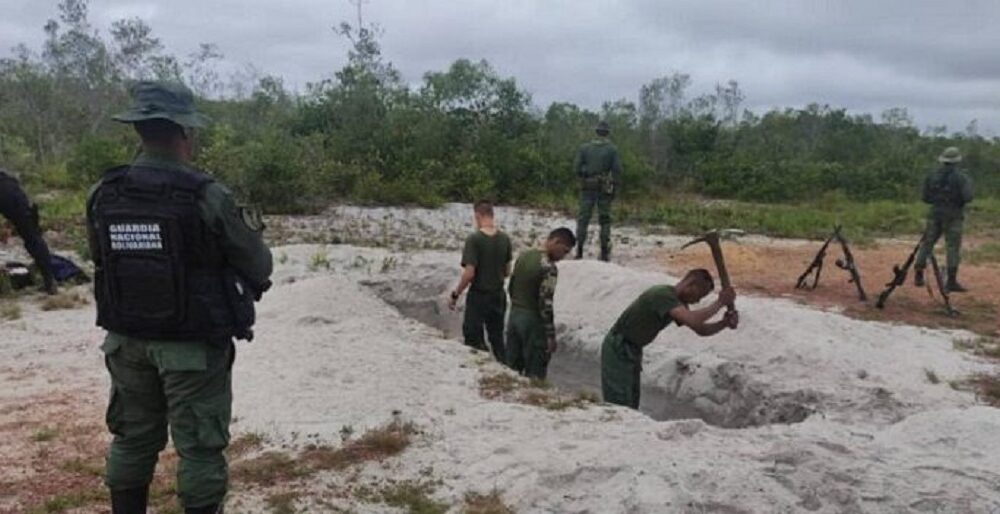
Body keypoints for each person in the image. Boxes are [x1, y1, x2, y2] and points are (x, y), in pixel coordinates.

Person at [86, 81, 273, 514]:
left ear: (139, 130)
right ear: (186, 132)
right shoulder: (207, 195)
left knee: (131, 440)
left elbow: (100, 259)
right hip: (191, 346)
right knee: (200, 448)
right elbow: (258, 266)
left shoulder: (103, 192)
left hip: (126, 341)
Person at [601, 270, 737, 409]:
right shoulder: (663, 294)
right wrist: (720, 302)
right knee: (618, 404)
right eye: (700, 295)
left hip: (633, 349)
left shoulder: (678, 304)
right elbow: (694, 320)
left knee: (631, 401)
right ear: (691, 284)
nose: (697, 301)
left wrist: (724, 323)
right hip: (618, 347)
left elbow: (701, 329)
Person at [506, 227, 575, 379]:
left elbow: (511, 287)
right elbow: (545, 303)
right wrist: (550, 335)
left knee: (511, 370)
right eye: (564, 251)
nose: (563, 256)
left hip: (514, 316)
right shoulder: (549, 267)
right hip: (533, 321)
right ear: (556, 241)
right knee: (535, 372)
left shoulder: (524, 256)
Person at [448, 200, 513, 363]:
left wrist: (456, 294)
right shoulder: (505, 239)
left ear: (477, 215)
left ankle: (481, 369)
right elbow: (507, 271)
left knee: (472, 335)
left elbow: (469, 273)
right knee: (497, 338)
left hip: (479, 295)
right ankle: (505, 368)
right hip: (498, 296)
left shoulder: (474, 239)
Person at [914, 146, 973, 292]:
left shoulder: (932, 175)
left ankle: (918, 275)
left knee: (927, 243)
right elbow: (968, 197)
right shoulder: (961, 177)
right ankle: (951, 281)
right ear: (957, 161)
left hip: (935, 213)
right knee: (952, 247)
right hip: (953, 215)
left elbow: (925, 197)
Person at [0, 169, 57, 294]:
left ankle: (49, 281)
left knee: (33, 239)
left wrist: (6, 227)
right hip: (16, 196)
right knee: (33, 238)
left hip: (11, 196)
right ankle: (49, 281)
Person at [574, 120, 622, 262]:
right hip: (603, 188)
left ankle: (580, 250)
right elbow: (617, 171)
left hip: (587, 187)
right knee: (605, 220)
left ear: (596, 132)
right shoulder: (612, 149)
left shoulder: (584, 148)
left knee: (583, 219)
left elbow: (576, 168)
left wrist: (586, 173)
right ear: (607, 133)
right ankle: (604, 252)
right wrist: (614, 189)